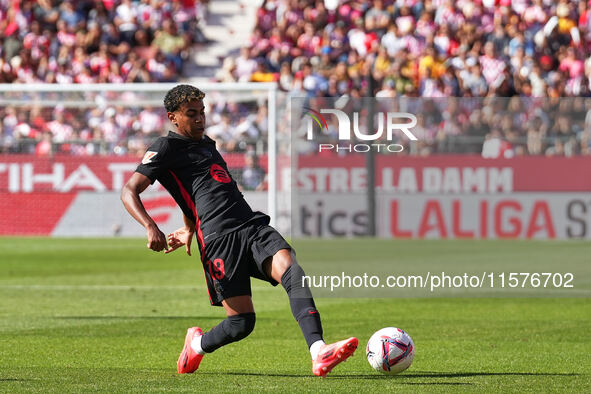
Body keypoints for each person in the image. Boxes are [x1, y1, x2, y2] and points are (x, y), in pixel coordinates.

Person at [121, 84, 357, 377]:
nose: (199, 118)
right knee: (241, 323)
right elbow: (129, 190)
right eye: (191, 113)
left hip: (249, 225)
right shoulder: (165, 147)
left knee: (292, 271)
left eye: (202, 112)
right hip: (219, 240)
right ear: (173, 118)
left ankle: (318, 351)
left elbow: (195, 192)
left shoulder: (208, 144)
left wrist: (188, 228)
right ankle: (196, 346)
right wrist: (150, 226)